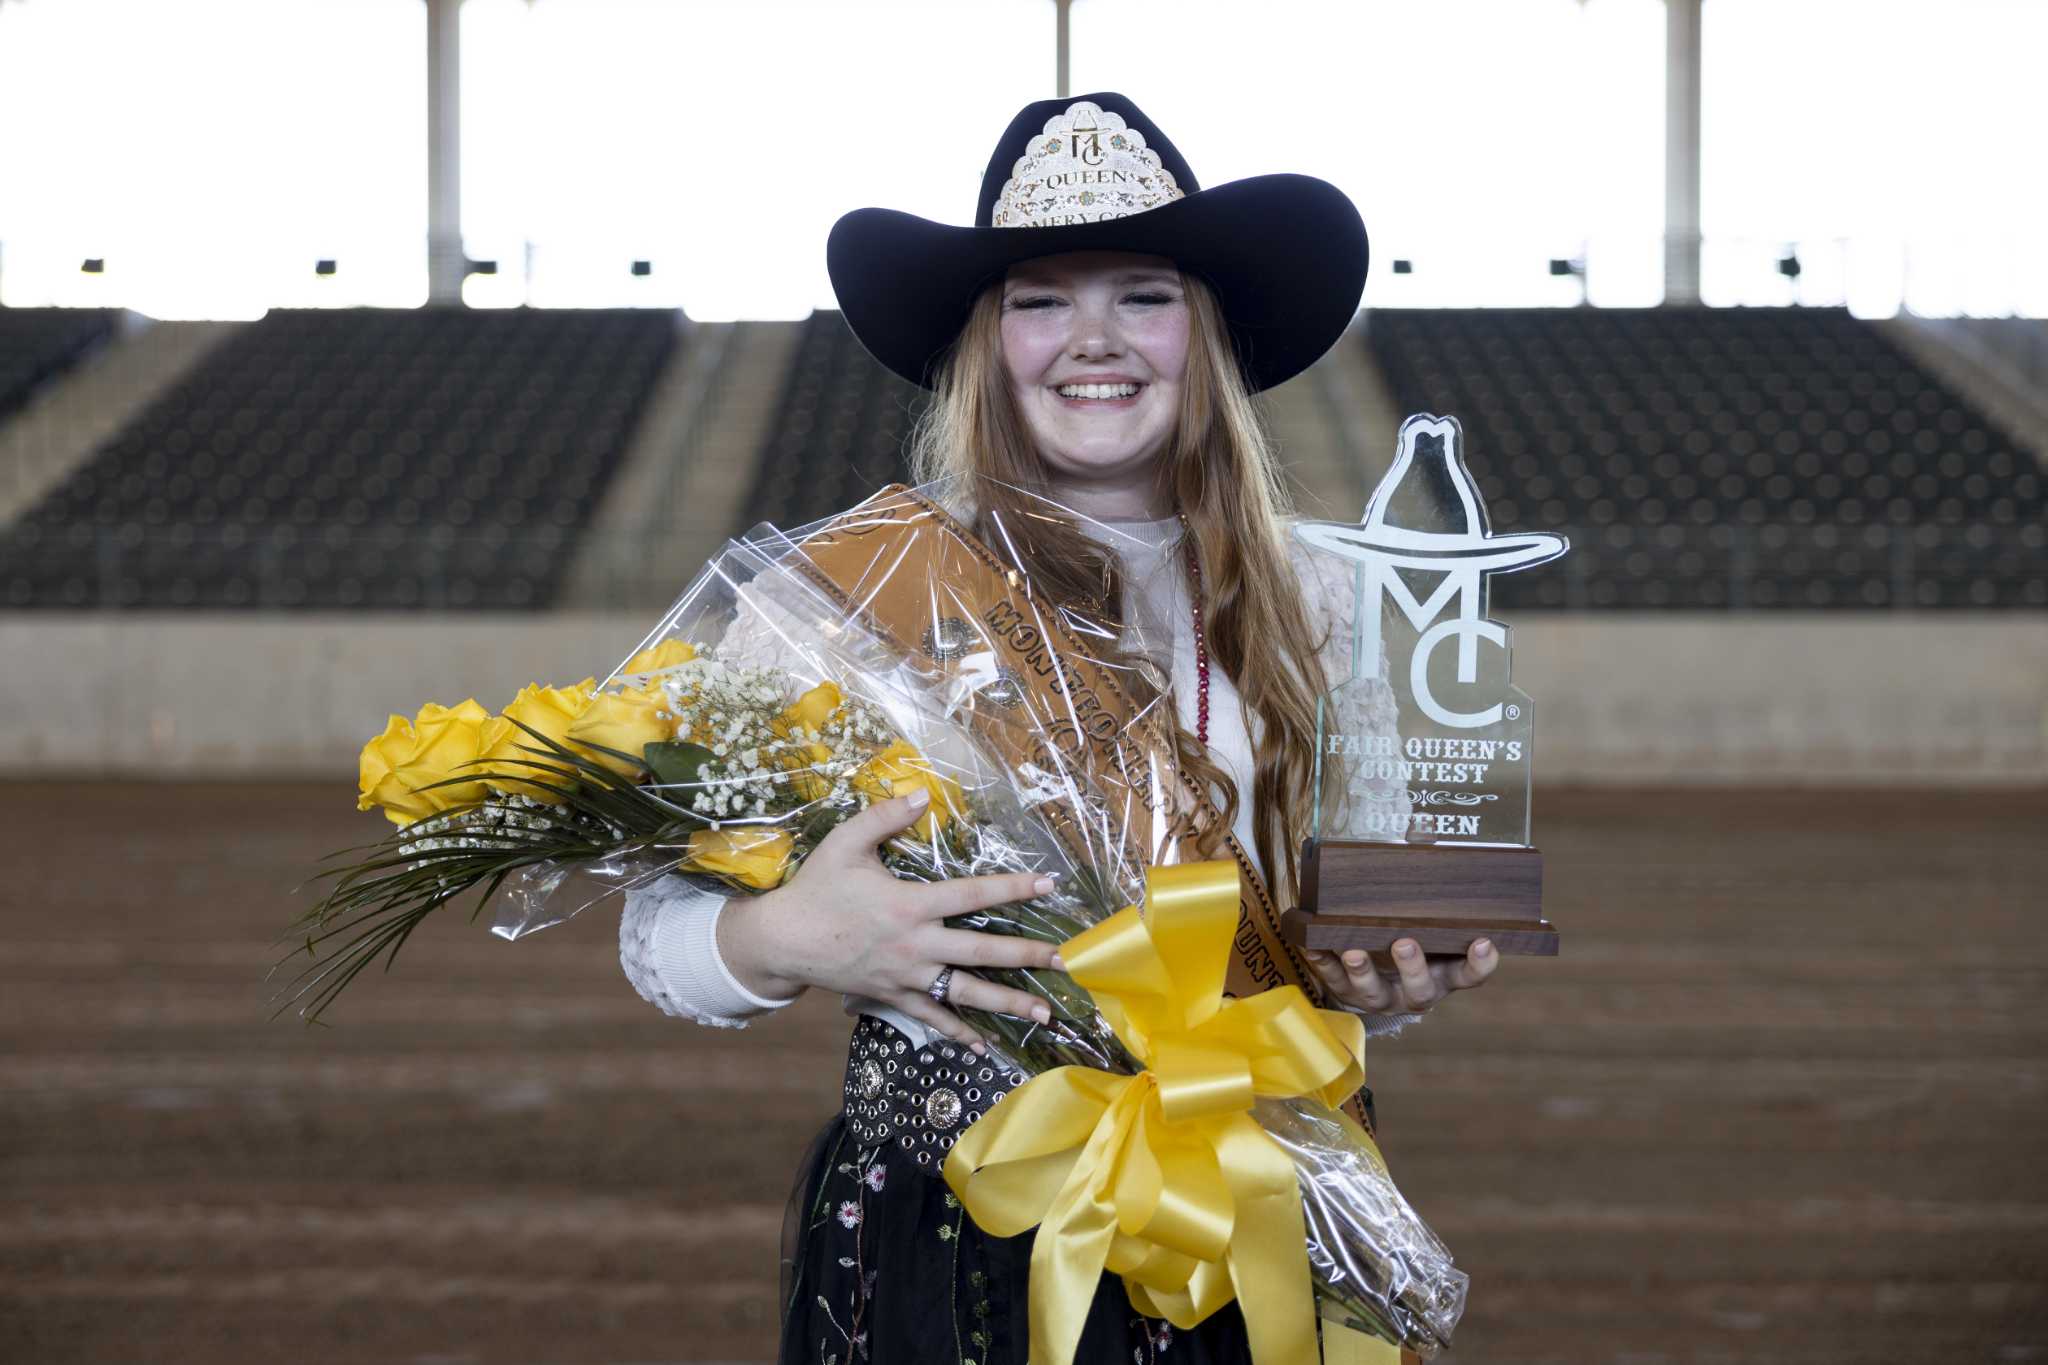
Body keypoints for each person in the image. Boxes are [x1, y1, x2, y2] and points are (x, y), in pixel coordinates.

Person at [619, 94, 1500, 1364]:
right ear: (989, 343)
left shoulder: (1326, 595)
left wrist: (1385, 979)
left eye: (1141, 294)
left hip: (1242, 1199)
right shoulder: (846, 592)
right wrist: (787, 934)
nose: (1092, 340)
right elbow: (662, 937)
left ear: (1205, 333)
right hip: (949, 1222)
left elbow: (1341, 924)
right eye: (1039, 300)